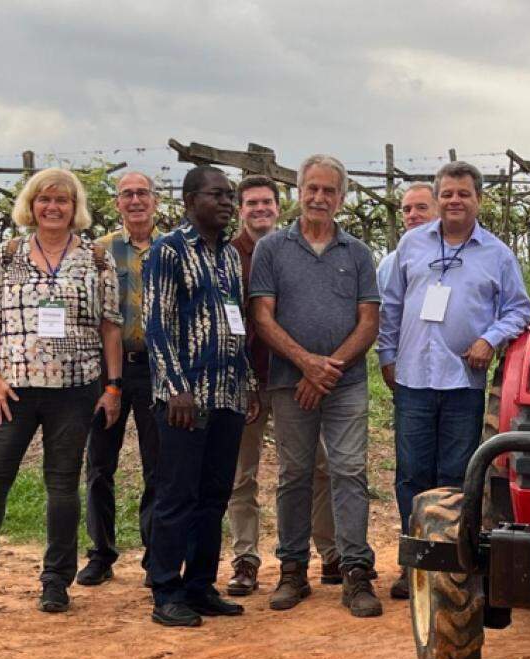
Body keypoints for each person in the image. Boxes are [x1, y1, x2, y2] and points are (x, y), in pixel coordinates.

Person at [0, 168, 122, 616]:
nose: (53, 207)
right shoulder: (8, 254)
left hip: (75, 389)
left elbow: (110, 326)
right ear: (31, 205)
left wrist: (112, 387)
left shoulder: (96, 259)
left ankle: (56, 582)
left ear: (75, 208)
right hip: (11, 390)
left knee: (62, 487)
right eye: (44, 200)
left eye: (62, 200)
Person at [377, 161, 530, 599]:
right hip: (412, 377)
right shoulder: (411, 245)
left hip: (464, 379)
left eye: (463, 193)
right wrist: (386, 355)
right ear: (438, 198)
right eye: (447, 194)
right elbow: (390, 306)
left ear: (478, 199)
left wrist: (490, 338)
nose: (454, 201)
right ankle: (415, 563)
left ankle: (450, 563)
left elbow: (520, 309)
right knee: (411, 474)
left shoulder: (497, 254)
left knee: (455, 474)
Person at [249, 155, 384, 617]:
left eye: (330, 191)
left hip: (344, 384)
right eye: (312, 189)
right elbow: (262, 316)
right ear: (299, 193)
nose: (320, 198)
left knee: (349, 470)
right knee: (294, 475)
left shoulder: (359, 253)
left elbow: (369, 322)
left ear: (341, 198)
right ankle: (292, 571)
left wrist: (328, 370)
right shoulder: (272, 249)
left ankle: (355, 571)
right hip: (290, 382)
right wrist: (306, 365)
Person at [143, 165, 259, 627]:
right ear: (191, 200)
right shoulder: (167, 251)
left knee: (214, 495)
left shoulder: (229, 258)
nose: (228, 203)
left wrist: (247, 382)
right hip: (185, 400)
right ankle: (166, 589)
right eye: (218, 195)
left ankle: (200, 584)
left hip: (226, 396)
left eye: (231, 196)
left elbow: (237, 324)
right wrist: (176, 389)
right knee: (177, 495)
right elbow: (157, 324)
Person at [225, 175, 340, 596]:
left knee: (318, 466)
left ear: (279, 206)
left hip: (293, 377)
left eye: (267, 202)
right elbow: (230, 325)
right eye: (252, 202)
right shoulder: (227, 256)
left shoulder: (296, 251)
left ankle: (330, 552)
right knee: (242, 474)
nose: (260, 209)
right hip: (248, 379)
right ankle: (246, 558)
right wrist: (246, 381)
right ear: (241, 209)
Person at [78, 172, 162, 588]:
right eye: (127, 194)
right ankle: (101, 553)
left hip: (156, 368)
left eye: (142, 193)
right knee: (99, 465)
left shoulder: (171, 249)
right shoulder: (99, 251)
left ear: (156, 201)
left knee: (156, 466)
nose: (135, 200)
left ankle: (154, 554)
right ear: (116, 204)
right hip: (106, 369)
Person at [377, 182, 438, 290]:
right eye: (407, 210)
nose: (412, 215)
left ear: (439, 211)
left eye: (422, 207)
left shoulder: (454, 257)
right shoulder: (388, 264)